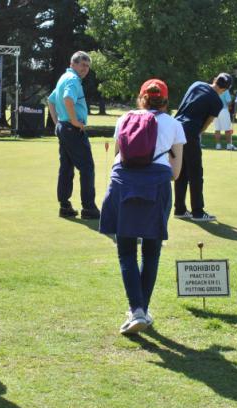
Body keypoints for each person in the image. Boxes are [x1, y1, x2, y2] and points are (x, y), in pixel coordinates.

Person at [100, 79, 185, 334]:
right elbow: (176, 173)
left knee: (126, 251)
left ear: (141, 98)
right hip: (156, 184)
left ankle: (137, 310)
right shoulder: (173, 124)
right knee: (151, 251)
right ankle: (141, 310)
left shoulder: (124, 118)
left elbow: (118, 156)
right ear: (166, 100)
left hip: (122, 183)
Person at [47, 51, 100, 219]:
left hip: (64, 127)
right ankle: (89, 208)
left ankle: (65, 205)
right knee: (87, 168)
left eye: (88, 66)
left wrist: (58, 122)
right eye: (83, 65)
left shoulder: (64, 78)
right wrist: (75, 121)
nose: (86, 69)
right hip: (72, 129)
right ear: (73, 64)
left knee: (66, 168)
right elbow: (68, 99)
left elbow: (51, 100)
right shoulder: (73, 80)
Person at [173, 73, 230, 222]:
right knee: (196, 173)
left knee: (181, 170)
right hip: (191, 132)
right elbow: (207, 123)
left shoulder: (196, 84)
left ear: (214, 80)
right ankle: (198, 212)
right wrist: (197, 134)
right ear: (224, 90)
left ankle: (179, 209)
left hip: (176, 128)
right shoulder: (217, 102)